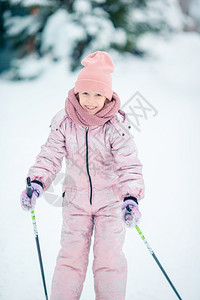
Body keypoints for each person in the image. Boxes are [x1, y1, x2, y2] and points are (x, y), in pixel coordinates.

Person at [20, 51, 145, 300]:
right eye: (86, 92)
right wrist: (36, 182)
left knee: (109, 261)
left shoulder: (115, 127)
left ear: (108, 97)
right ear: (77, 92)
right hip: (75, 203)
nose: (91, 100)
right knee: (70, 259)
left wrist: (131, 197)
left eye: (98, 94)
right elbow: (50, 155)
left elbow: (128, 165)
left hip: (110, 203)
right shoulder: (65, 121)